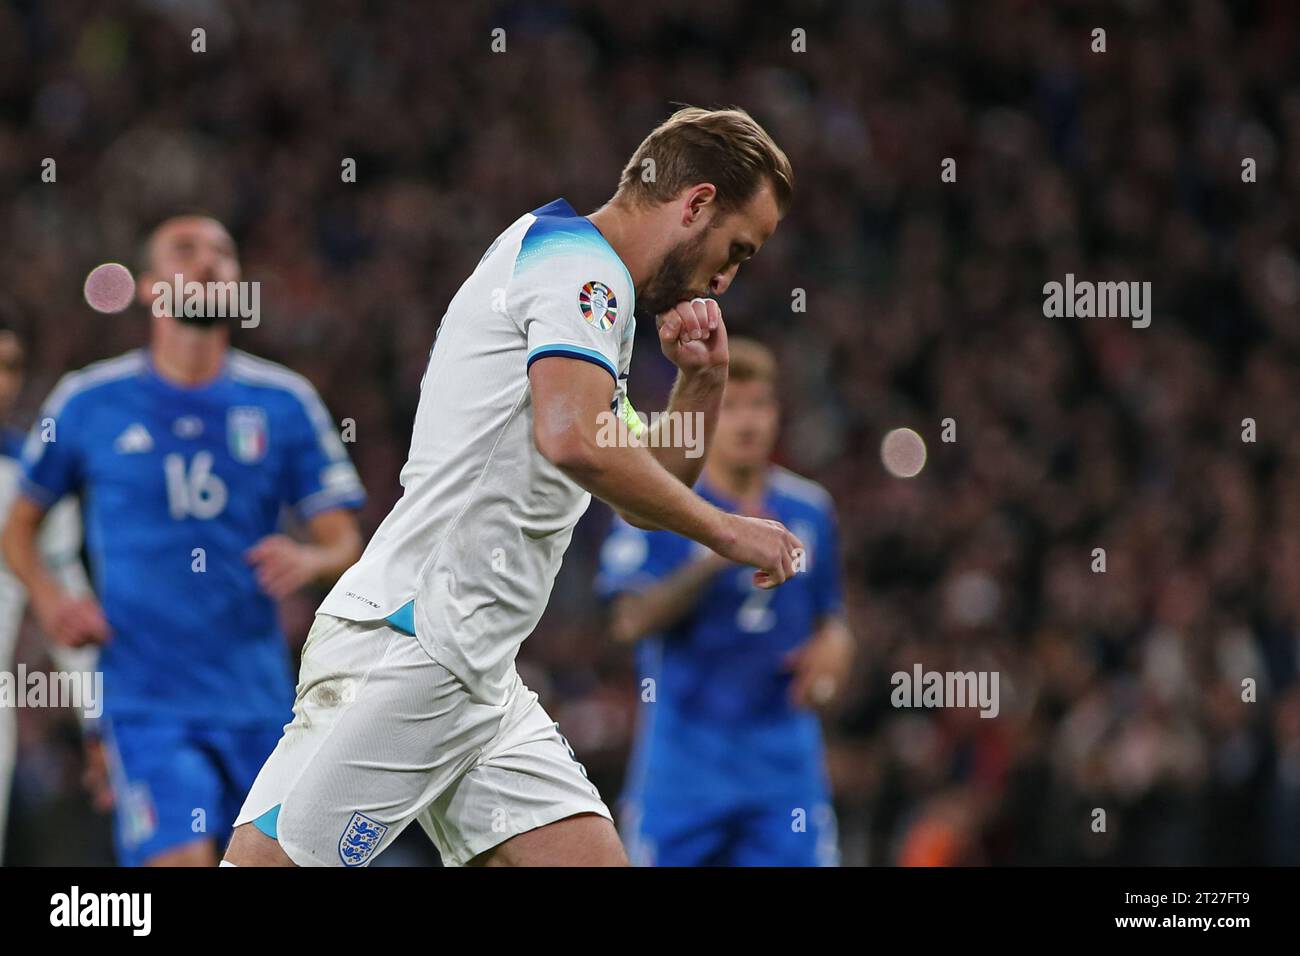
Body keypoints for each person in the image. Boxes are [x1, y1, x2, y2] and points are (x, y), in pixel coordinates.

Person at [224, 106, 800, 868]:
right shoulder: (579, 272)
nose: (727, 277)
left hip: (476, 665)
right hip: (418, 643)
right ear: (694, 204)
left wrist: (702, 381)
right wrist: (727, 530)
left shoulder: (584, 283)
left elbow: (637, 487)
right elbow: (571, 440)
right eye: (738, 249)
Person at [0, 216, 366, 866]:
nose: (208, 263)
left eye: (223, 252)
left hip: (258, 699)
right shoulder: (89, 401)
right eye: (185, 250)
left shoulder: (285, 401)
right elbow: (18, 528)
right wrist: (51, 599)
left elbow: (345, 542)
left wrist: (308, 558)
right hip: (145, 701)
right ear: (148, 288)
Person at [597, 337, 853, 865]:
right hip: (685, 755)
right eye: (731, 407)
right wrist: (720, 546)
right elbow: (629, 622)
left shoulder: (810, 508)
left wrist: (836, 650)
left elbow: (833, 617)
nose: (748, 422)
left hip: (783, 755)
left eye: (760, 404)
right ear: (708, 417)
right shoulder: (661, 504)